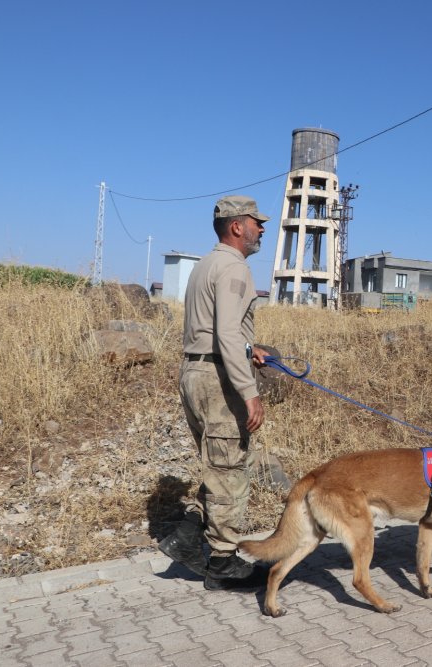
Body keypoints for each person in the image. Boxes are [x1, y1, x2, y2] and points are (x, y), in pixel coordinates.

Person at [158, 194, 271, 590]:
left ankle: (188, 536)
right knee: (230, 470)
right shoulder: (235, 268)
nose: (262, 229)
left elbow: (215, 329)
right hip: (217, 378)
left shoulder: (207, 264)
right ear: (237, 226)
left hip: (194, 371)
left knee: (215, 465)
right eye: (257, 222)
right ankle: (223, 563)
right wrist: (248, 391)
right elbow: (225, 332)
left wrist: (247, 348)